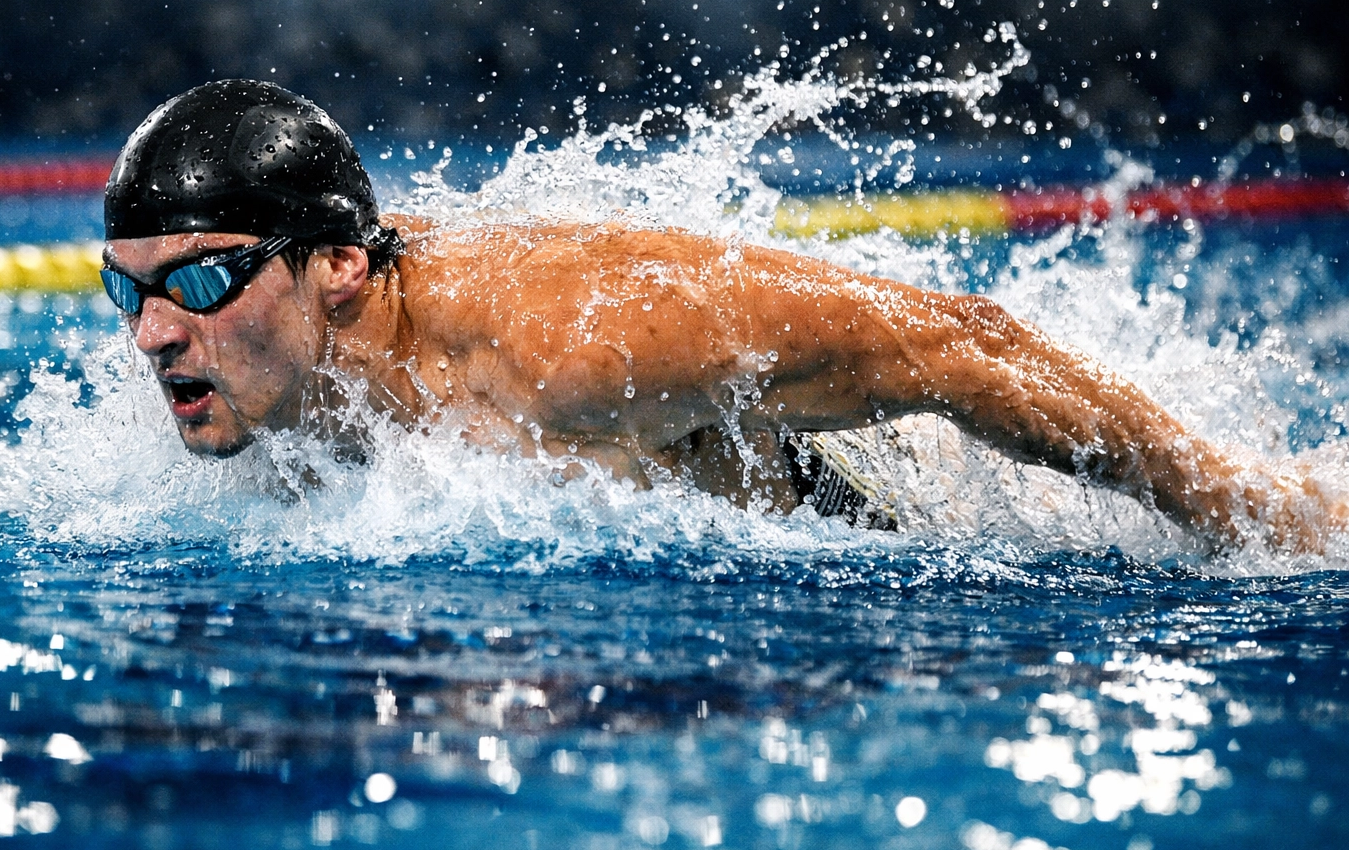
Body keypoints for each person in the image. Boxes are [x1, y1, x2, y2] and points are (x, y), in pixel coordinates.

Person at [101, 80, 1344, 554]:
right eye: (130, 289)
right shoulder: (273, 371)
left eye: (199, 281)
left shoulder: (568, 345)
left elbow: (963, 342)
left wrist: (1242, 507)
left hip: (876, 531)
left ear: (338, 267)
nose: (154, 333)